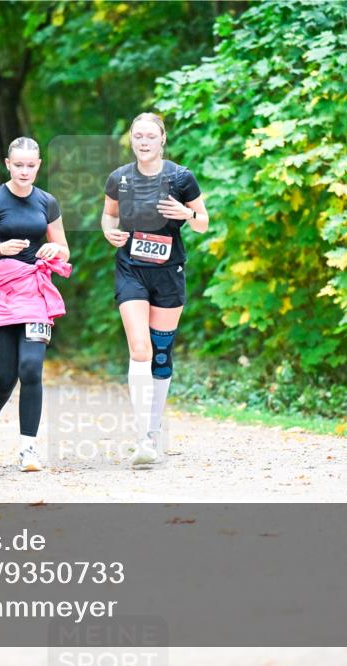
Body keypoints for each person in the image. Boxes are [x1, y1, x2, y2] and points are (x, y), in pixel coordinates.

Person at [100, 113, 209, 466]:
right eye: (137, 136)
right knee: (140, 348)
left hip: (168, 272)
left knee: (161, 353)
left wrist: (184, 213)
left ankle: (155, 426)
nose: (143, 142)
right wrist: (109, 231)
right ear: (131, 140)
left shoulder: (181, 178)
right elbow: (108, 215)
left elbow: (203, 223)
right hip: (131, 269)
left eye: (150, 136)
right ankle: (143, 437)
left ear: (162, 139)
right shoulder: (119, 179)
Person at [0, 137, 71, 472]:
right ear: (7, 164)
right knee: (5, 377)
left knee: (31, 368)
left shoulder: (47, 202)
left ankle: (28, 449)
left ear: (39, 164)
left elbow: (63, 247)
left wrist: (55, 251)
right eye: (18, 164)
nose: (24, 171)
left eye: (31, 165)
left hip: (34, 292)